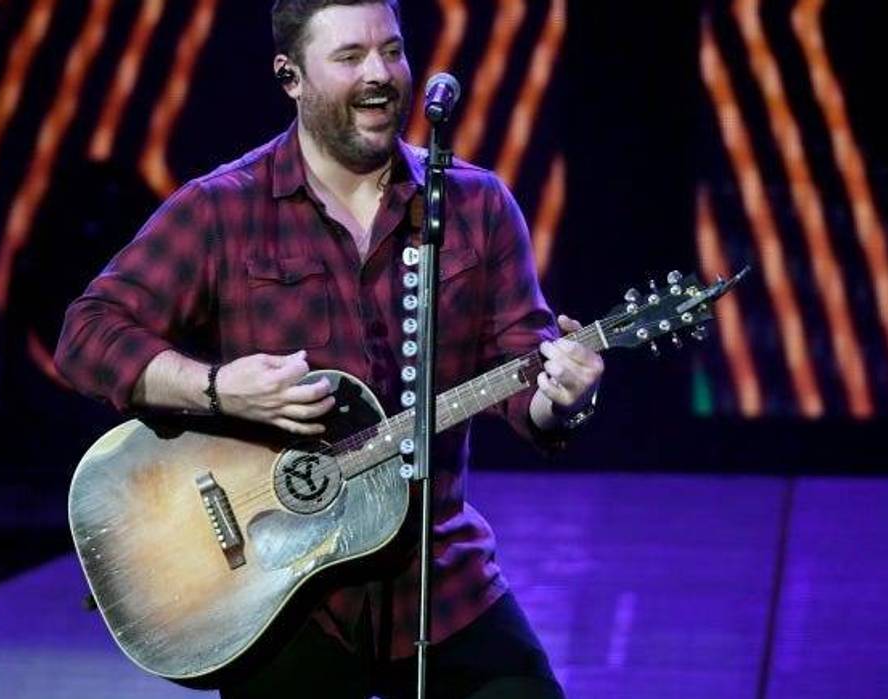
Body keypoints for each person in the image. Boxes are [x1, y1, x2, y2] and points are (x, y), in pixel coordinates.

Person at [53, 1, 603, 696]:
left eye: (392, 52)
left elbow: (528, 382)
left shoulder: (476, 205)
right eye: (349, 57)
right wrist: (218, 387)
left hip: (440, 582)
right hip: (282, 601)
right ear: (291, 77)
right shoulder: (224, 208)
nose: (379, 75)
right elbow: (88, 333)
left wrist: (562, 398)